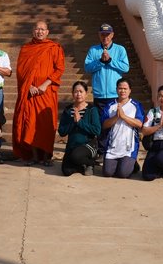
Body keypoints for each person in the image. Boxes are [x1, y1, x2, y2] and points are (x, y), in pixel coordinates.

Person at [12, 20, 64, 165]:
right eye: (37, 29)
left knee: (46, 124)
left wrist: (45, 84)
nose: (39, 32)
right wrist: (28, 86)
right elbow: (21, 71)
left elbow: (59, 69)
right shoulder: (26, 49)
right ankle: (34, 156)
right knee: (31, 124)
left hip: (46, 93)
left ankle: (46, 157)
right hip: (30, 93)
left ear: (47, 32)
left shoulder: (54, 48)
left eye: (42, 29)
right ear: (33, 31)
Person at [83, 23, 129, 152]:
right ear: (99, 35)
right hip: (100, 95)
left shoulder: (120, 49)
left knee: (115, 122)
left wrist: (110, 61)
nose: (105, 37)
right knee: (101, 123)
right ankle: (102, 150)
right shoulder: (93, 50)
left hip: (115, 94)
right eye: (103, 34)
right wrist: (101, 62)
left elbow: (125, 67)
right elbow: (87, 68)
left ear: (112, 35)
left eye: (108, 34)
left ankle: (115, 148)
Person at [101, 77, 145, 178]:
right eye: (120, 88)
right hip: (113, 146)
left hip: (129, 147)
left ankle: (132, 163)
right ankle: (125, 164)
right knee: (107, 173)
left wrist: (124, 116)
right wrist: (116, 117)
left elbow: (139, 124)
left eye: (125, 89)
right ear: (116, 89)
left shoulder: (136, 105)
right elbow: (104, 125)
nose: (122, 91)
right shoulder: (110, 105)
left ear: (130, 90)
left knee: (123, 174)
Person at [57, 80, 102, 176]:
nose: (78, 94)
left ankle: (92, 162)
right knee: (66, 171)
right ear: (72, 94)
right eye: (76, 92)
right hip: (72, 145)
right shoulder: (68, 110)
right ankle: (82, 166)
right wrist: (73, 122)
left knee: (76, 156)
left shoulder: (92, 109)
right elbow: (62, 131)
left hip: (88, 144)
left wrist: (80, 122)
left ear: (86, 93)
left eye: (81, 91)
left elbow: (97, 130)